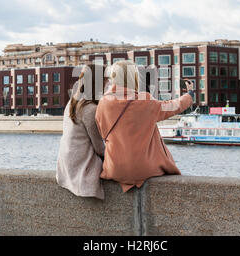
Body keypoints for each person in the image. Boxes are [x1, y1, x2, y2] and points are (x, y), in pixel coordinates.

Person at [95, 60, 194, 193]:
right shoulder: (144, 100)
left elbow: (102, 131)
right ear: (133, 77)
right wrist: (189, 95)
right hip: (143, 168)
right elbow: (172, 106)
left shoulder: (103, 103)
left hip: (114, 168)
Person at [56, 64, 107, 200]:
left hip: (66, 163)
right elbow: (99, 148)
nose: (108, 83)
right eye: (106, 80)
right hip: (81, 165)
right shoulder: (90, 109)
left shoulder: (73, 102)